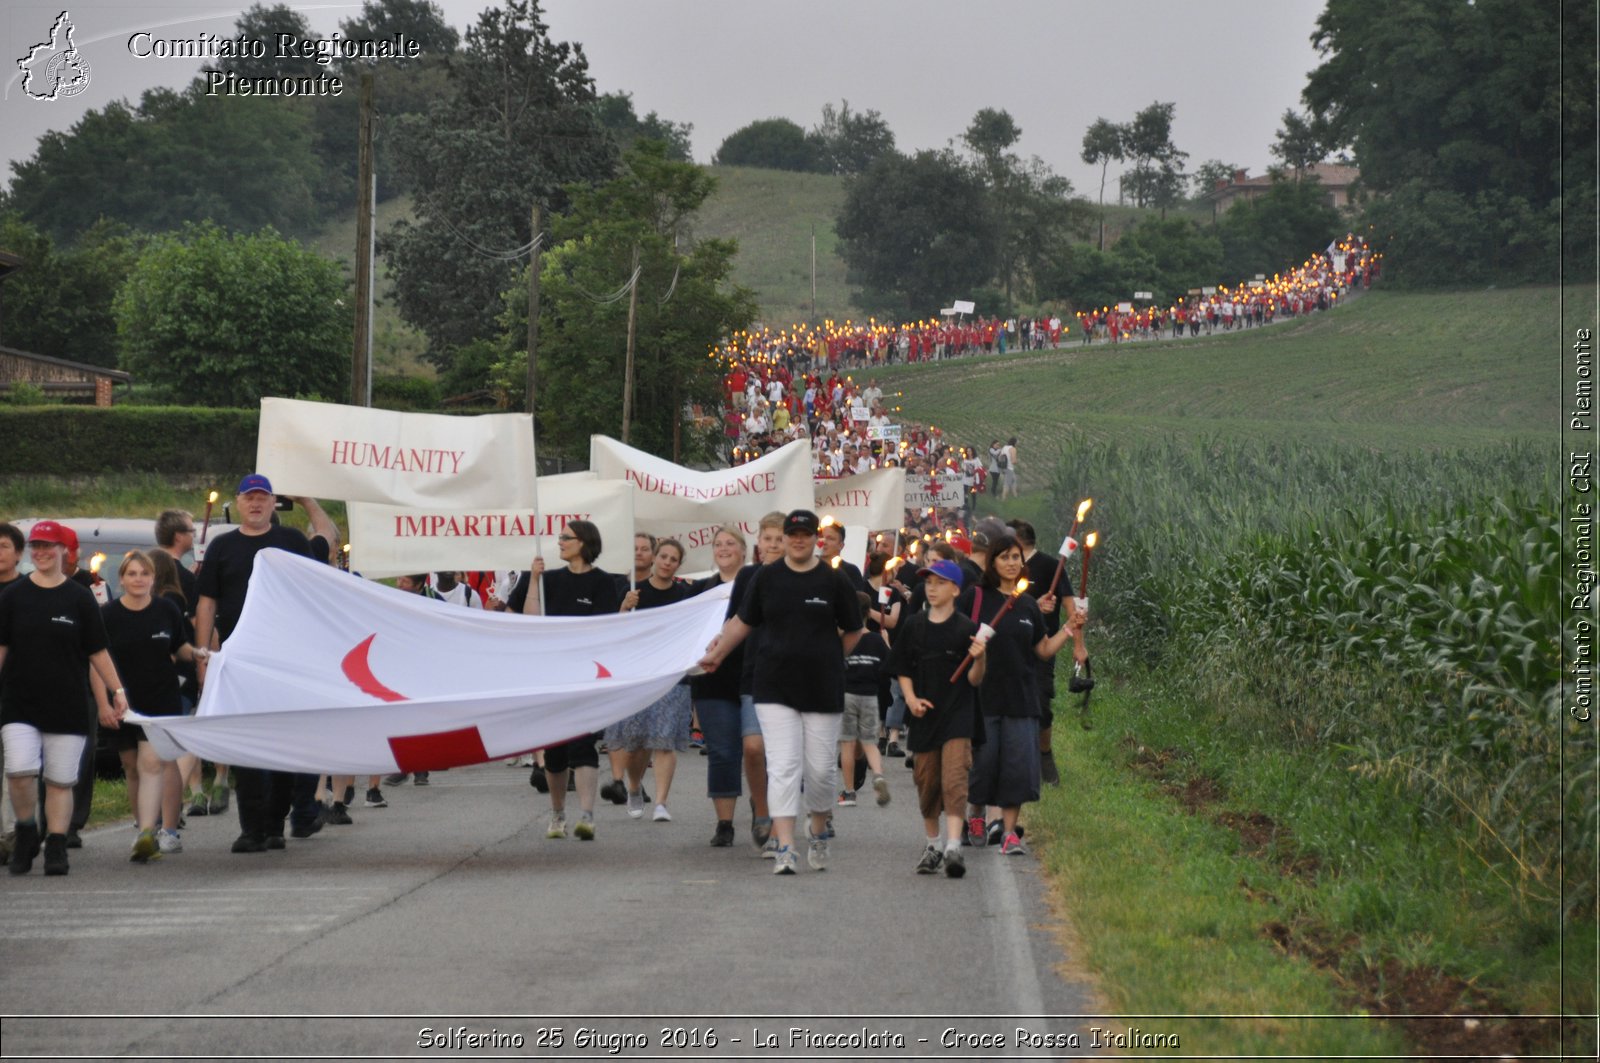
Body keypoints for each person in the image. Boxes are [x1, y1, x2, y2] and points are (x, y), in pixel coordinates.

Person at [698, 510, 864, 876]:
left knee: (820, 771)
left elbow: (853, 628)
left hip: (822, 688)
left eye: (806, 534)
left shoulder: (833, 581)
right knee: (784, 766)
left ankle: (817, 828)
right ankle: (785, 845)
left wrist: (833, 660)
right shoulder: (766, 578)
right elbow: (742, 622)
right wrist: (718, 654)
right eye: (793, 534)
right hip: (773, 686)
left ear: (816, 539)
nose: (799, 539)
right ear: (785, 538)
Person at [194, 475, 320, 854]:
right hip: (238, 660)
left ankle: (275, 822)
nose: (255, 503)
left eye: (262, 497)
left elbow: (313, 590)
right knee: (245, 745)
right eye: (249, 498)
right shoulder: (222, 546)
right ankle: (251, 827)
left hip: (284, 660)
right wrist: (203, 657)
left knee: (280, 745)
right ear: (239, 502)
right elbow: (206, 603)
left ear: (272, 503)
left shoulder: (292, 542)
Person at [2, 521, 128, 876]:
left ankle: (56, 843)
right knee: (19, 770)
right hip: (19, 701)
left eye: (48, 546)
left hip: (67, 700)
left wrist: (118, 692)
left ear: (63, 552)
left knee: (59, 779)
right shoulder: (13, 597)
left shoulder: (78, 597)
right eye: (36, 546)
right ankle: (27, 830)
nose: (41, 552)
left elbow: (97, 650)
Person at [960, 532, 1084, 855]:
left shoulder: (1028, 604)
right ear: (992, 562)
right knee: (983, 764)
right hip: (984, 697)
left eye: (1017, 557)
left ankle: (1010, 833)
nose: (1013, 563)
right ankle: (975, 814)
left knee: (1017, 766)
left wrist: (1068, 629)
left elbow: (1042, 649)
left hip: (1021, 697)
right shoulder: (976, 598)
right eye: (1005, 557)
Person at [510, 520, 619, 841]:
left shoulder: (602, 583)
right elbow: (529, 620)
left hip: (586, 675)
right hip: (551, 675)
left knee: (584, 743)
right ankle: (557, 814)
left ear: (584, 543)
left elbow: (606, 628)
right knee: (555, 750)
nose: (559, 542)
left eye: (565, 537)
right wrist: (533, 580)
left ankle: (587, 815)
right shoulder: (548, 578)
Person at [93, 551, 202, 862]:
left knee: (154, 763)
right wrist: (103, 702)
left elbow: (178, 646)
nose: (138, 579)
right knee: (132, 767)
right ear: (122, 579)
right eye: (132, 574)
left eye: (144, 573)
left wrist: (198, 654)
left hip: (161, 699)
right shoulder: (108, 615)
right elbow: (96, 661)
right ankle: (143, 825)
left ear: (154, 579)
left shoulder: (167, 610)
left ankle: (161, 829)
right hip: (123, 700)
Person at [889, 558, 985, 878]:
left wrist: (979, 657)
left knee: (955, 778)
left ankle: (954, 846)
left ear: (956, 589)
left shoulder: (967, 629)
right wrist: (912, 699)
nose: (931, 588)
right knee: (927, 780)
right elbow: (902, 668)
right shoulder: (914, 625)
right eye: (928, 582)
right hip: (925, 714)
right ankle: (933, 844)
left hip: (959, 713)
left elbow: (974, 680)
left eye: (940, 582)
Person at [688, 526, 761, 847]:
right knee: (722, 751)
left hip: (754, 675)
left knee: (756, 751)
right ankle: (725, 824)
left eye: (731, 543)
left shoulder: (758, 584)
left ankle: (762, 809)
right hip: (712, 679)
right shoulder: (701, 590)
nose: (724, 548)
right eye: (718, 544)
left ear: (744, 551)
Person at [612, 539, 694, 822]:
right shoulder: (634, 591)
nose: (667, 562)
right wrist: (624, 607)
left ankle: (661, 802)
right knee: (636, 743)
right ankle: (634, 787)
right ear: (655, 558)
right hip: (639, 675)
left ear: (678, 565)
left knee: (665, 740)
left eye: (673, 559)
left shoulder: (685, 594)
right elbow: (616, 632)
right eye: (663, 556)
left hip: (672, 675)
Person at [837, 593, 891, 809]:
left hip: (847, 694)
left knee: (847, 744)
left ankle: (849, 792)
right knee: (869, 741)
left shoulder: (843, 640)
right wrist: (886, 642)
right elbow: (889, 667)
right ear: (869, 613)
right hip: (870, 695)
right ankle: (877, 774)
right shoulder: (876, 640)